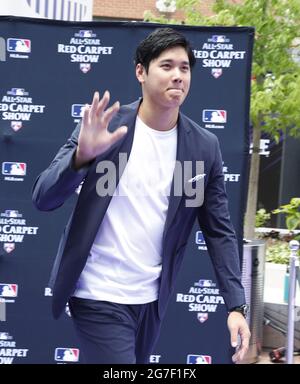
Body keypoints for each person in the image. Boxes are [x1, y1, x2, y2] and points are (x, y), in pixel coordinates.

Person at [32, 27, 250, 364]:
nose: (177, 75)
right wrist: (81, 158)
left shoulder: (202, 148)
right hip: (97, 292)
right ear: (140, 72)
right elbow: (44, 198)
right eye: (166, 66)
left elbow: (219, 231)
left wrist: (236, 305)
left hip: (150, 301)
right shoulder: (105, 128)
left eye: (184, 67)